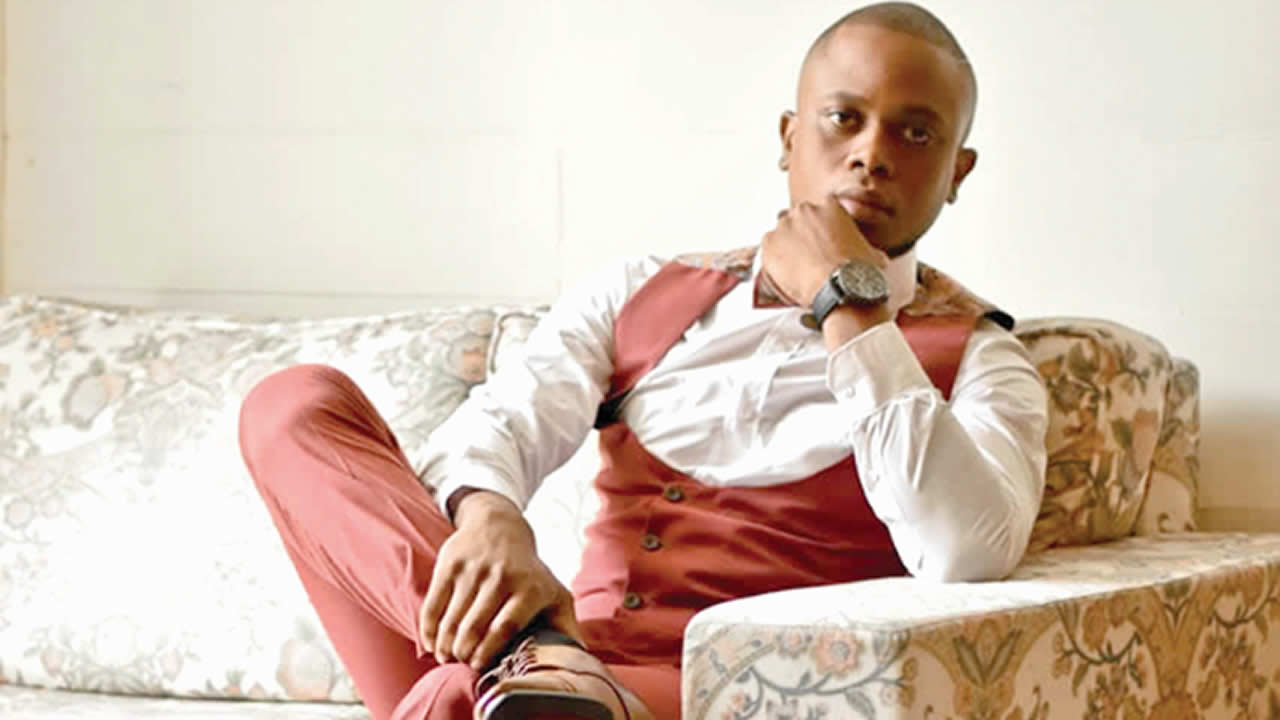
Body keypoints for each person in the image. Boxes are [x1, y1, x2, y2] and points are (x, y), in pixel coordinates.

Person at [238, 3, 1048, 719]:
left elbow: (966, 551)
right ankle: (530, 652)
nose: (871, 154)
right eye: (843, 118)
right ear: (788, 137)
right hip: (556, 663)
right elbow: (498, 426)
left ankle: (527, 677)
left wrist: (852, 305)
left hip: (727, 695)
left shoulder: (982, 358)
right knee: (292, 406)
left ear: (957, 172)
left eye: (916, 133)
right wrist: (491, 520)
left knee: (458, 697)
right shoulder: (641, 291)